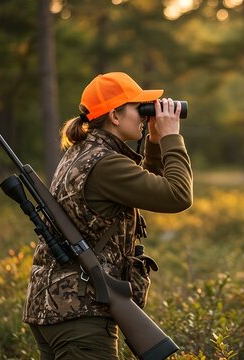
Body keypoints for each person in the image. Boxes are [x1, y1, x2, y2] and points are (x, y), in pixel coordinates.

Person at [22, 72, 193, 359]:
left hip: (56, 305)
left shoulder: (84, 152)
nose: (144, 114)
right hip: (80, 314)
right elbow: (178, 196)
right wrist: (172, 137)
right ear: (115, 115)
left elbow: (146, 188)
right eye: (138, 107)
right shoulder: (105, 164)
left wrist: (153, 141)